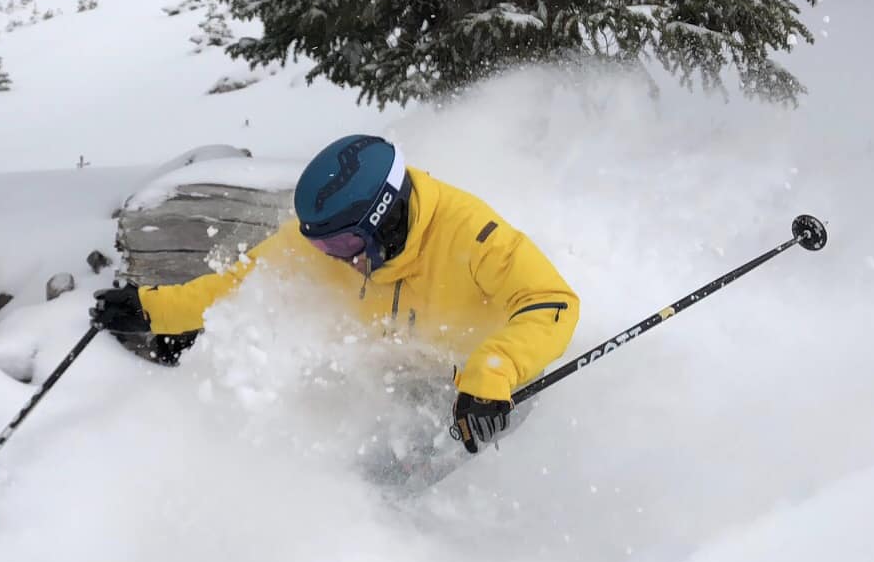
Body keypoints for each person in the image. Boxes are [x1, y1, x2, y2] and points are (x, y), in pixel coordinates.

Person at [91, 134, 579, 456]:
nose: (335, 258)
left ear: (384, 218)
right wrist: (153, 309)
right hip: (399, 387)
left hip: (486, 397)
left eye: (344, 243)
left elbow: (552, 302)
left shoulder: (472, 234)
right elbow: (236, 286)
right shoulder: (330, 250)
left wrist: (494, 372)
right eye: (321, 245)